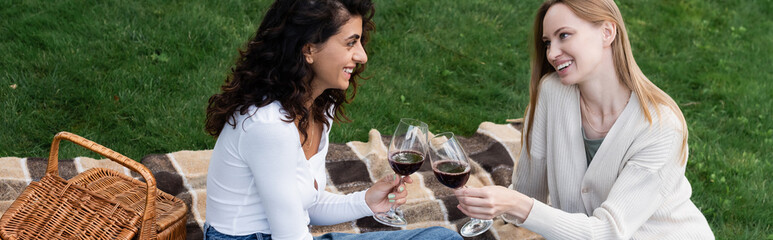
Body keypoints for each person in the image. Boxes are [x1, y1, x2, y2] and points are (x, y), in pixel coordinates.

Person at [453, 0, 714, 239]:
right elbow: (527, 194)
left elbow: (607, 233)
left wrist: (514, 204)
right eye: (547, 42)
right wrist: (493, 202)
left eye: (564, 35)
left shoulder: (660, 126)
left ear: (607, 32)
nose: (552, 53)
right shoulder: (552, 92)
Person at [203, 0, 461, 239]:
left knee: (442, 237)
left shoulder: (315, 109)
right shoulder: (269, 125)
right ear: (309, 49)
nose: (362, 56)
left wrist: (367, 200)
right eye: (351, 43)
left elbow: (308, 205)